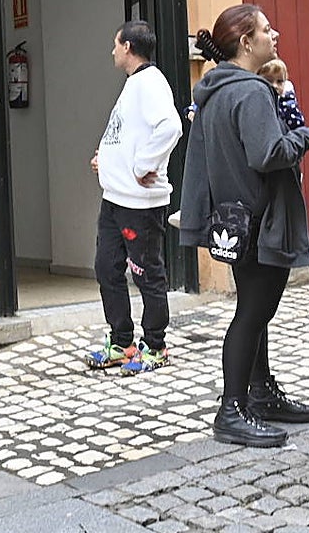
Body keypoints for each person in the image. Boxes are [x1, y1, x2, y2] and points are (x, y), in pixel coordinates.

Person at [179, 5, 309, 447]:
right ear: (246, 43)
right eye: (266, 29)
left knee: (253, 309)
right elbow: (268, 154)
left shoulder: (215, 90)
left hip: (236, 221)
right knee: (253, 314)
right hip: (263, 221)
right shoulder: (250, 91)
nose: (275, 34)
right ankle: (231, 410)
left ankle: (260, 393)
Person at [85, 21, 182, 374]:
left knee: (146, 274)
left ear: (127, 46)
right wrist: (107, 159)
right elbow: (126, 136)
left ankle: (155, 346)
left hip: (139, 205)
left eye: (115, 44)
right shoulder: (134, 84)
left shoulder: (151, 82)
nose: (112, 51)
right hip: (115, 199)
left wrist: (143, 166)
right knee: (106, 268)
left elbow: (171, 127)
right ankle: (122, 343)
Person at [257, 58, 305, 131]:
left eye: (279, 81)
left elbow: (298, 127)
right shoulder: (256, 100)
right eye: (268, 80)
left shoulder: (288, 104)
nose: (274, 86)